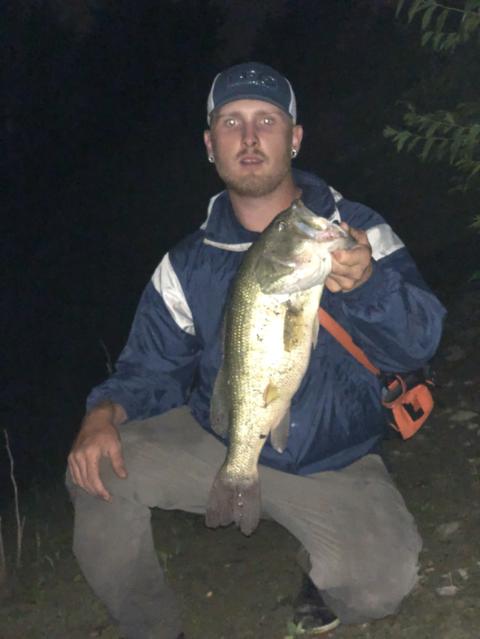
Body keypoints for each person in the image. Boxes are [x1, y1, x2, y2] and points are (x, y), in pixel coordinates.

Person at [67, 62, 446, 639]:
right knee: (96, 465)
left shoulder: (355, 231)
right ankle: (153, 628)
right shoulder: (186, 263)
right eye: (231, 122)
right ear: (210, 145)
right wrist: (102, 412)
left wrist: (368, 286)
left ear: (294, 138)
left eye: (266, 120)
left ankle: (318, 575)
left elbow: (420, 341)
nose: (249, 137)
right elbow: (149, 368)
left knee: (379, 586)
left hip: (334, 459)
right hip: (222, 436)